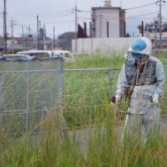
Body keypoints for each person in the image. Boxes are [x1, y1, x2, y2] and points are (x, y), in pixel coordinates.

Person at [111, 37, 165, 144]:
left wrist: (156, 95)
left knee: (154, 137)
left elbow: (161, 83)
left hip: (151, 105)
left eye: (141, 56)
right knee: (128, 138)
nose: (139, 59)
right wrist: (117, 97)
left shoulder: (156, 64)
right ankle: (129, 157)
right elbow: (122, 85)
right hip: (134, 104)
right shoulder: (127, 66)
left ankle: (152, 157)